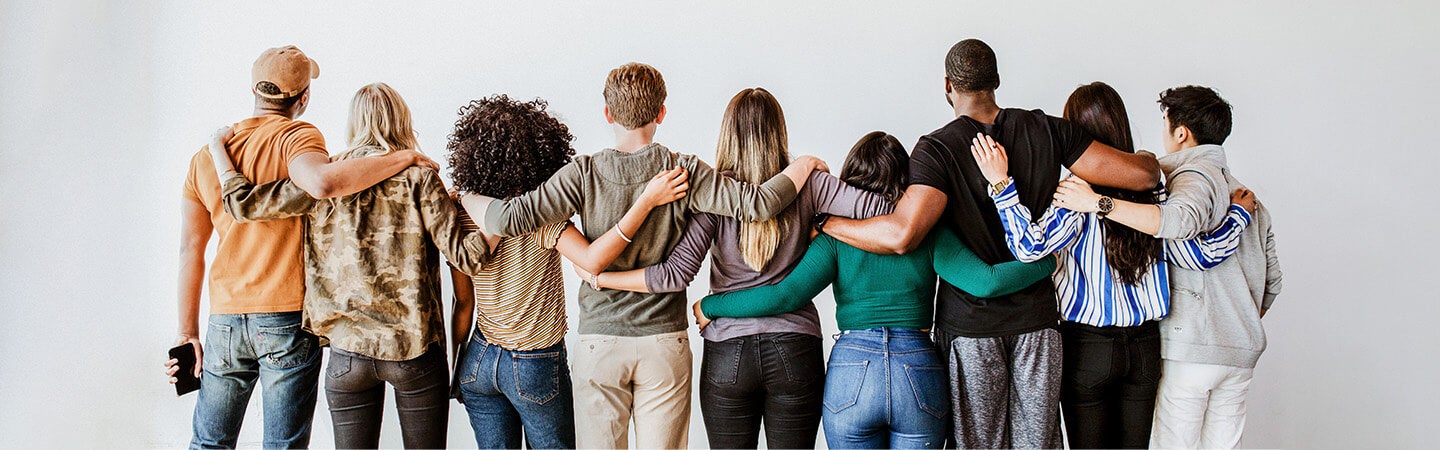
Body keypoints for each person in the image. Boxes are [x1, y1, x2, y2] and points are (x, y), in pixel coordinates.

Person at [459, 63, 828, 450]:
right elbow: (759, 204)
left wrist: (466, 195)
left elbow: (507, 217)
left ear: (608, 113)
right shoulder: (683, 170)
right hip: (663, 341)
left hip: (599, 342)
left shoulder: (581, 174)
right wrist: (803, 165)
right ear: (661, 113)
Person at [818, 39, 1161, 449]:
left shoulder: (936, 149)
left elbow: (902, 235)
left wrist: (828, 224)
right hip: (1037, 324)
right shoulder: (1050, 130)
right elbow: (1143, 177)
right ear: (996, 81)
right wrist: (1147, 156)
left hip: (971, 330)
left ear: (947, 86)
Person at [694, 131, 1058, 449]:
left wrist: (711, 305)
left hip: (853, 372)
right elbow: (986, 281)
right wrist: (1048, 261)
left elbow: (782, 297)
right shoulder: (925, 233)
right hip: (918, 369)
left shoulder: (835, 237)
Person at [575, 88, 891, 449]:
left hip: (728, 352)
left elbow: (673, 274)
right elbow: (882, 207)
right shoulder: (811, 183)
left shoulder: (714, 193)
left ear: (727, 133)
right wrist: (827, 225)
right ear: (779, 131)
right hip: (796, 348)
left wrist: (602, 277)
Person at [165, 46, 436, 450]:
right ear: (303, 98)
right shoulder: (298, 136)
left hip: (223, 319)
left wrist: (188, 333)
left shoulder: (205, 158)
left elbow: (190, 249)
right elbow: (323, 183)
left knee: (209, 443)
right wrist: (404, 157)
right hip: (285, 316)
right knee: (284, 445)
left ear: (254, 89)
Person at [970, 81, 1257, 448]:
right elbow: (1197, 255)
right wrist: (1237, 217)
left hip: (1088, 346)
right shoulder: (1155, 190)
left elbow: (1028, 247)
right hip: (1144, 348)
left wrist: (1000, 185)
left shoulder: (1074, 192)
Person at [206, 83, 493, 449]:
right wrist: (494, 221)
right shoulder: (420, 178)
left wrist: (217, 149)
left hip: (346, 356)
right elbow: (468, 258)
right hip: (414, 352)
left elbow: (243, 205)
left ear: (354, 123)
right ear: (401, 119)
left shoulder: (324, 177)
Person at [443, 95, 690, 449]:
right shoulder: (545, 218)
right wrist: (646, 202)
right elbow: (592, 259)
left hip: (478, 360)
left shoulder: (461, 215)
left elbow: (462, 304)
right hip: (534, 361)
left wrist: (458, 368)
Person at [1051, 85, 1283, 449]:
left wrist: (1097, 203)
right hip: (1217, 351)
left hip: (1170, 348)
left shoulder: (1178, 185)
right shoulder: (1220, 194)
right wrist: (1237, 321)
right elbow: (1273, 283)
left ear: (1180, 132)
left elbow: (1184, 237)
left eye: (1165, 123)